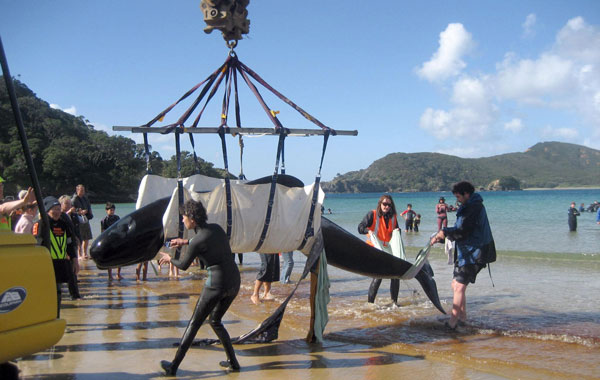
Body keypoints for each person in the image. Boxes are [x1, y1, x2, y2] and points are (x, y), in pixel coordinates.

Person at [158, 199, 240, 375]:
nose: (182, 220)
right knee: (215, 320)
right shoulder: (217, 228)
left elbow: (183, 265)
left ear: (192, 219)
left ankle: (173, 367)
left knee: (194, 324)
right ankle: (233, 363)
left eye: (183, 217)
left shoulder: (197, 241)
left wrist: (168, 258)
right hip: (234, 282)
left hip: (216, 285)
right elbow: (206, 240)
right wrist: (184, 242)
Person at [431, 181, 496, 330]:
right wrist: (443, 234)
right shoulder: (469, 205)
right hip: (465, 251)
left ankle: (452, 322)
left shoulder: (474, 207)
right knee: (456, 285)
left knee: (459, 286)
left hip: (476, 252)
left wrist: (445, 232)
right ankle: (462, 318)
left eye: (459, 197)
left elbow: (462, 230)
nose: (457, 200)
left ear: (467, 194)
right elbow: (461, 230)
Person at [33, 196, 80, 315]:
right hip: (46, 264)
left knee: (58, 292)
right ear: (47, 210)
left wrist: (75, 260)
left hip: (61, 262)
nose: (57, 212)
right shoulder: (41, 224)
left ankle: (56, 317)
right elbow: (36, 245)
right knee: (47, 292)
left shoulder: (64, 224)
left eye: (59, 209)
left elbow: (70, 244)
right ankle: (45, 316)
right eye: (54, 209)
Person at [358, 194, 401, 305]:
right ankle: (370, 304)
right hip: (374, 249)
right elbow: (360, 228)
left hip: (387, 250)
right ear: (380, 204)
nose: (386, 207)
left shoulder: (393, 217)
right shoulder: (372, 214)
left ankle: (394, 303)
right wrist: (368, 231)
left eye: (389, 205)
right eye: (384, 204)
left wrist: (398, 231)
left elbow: (396, 232)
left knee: (396, 275)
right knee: (379, 276)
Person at [58, 195, 82, 299]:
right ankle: (73, 295)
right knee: (70, 272)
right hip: (64, 249)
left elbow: (70, 230)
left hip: (71, 244)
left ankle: (75, 294)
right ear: (61, 205)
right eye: (66, 203)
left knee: (73, 272)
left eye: (70, 204)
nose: (69, 206)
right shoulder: (60, 216)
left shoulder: (67, 215)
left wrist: (76, 238)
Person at [100, 202, 123, 280]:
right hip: (108, 241)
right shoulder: (104, 220)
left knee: (119, 258)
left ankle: (118, 274)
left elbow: (120, 228)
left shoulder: (117, 218)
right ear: (106, 210)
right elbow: (102, 233)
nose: (112, 211)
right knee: (109, 259)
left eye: (113, 210)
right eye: (110, 210)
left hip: (117, 240)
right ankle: (110, 275)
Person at [72, 184, 94, 259]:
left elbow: (89, 207)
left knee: (87, 237)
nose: (83, 192)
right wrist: (79, 212)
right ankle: (79, 254)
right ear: (77, 190)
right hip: (78, 220)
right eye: (81, 190)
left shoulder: (85, 198)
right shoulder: (74, 199)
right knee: (79, 238)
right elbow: (72, 210)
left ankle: (85, 253)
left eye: (83, 190)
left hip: (85, 218)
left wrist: (88, 212)